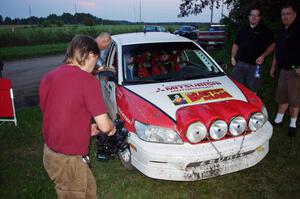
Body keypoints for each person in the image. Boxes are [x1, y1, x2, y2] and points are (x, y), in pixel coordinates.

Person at [39, 35, 116, 199]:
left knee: (89, 191)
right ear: (90, 56)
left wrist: (84, 128)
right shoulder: (87, 81)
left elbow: (55, 113)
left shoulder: (49, 77)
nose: (95, 65)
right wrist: (111, 126)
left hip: (51, 153)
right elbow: (104, 126)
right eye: (96, 59)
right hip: (68, 160)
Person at [269, 4, 300, 137]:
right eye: (283, 14)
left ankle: (293, 123)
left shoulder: (298, 30)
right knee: (282, 96)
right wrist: (273, 66)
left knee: (294, 99)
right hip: (283, 70)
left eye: (288, 13)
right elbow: (278, 50)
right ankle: (279, 119)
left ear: (294, 15)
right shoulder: (282, 31)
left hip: (296, 71)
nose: (285, 16)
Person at [231, 7, 275, 94]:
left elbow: (273, 45)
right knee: (235, 87)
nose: (254, 17)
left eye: (256, 15)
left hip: (256, 66)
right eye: (252, 15)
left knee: (254, 90)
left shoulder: (265, 30)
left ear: (260, 18)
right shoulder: (243, 29)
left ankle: (253, 106)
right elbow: (236, 44)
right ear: (249, 17)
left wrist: (263, 56)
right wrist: (233, 57)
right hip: (240, 64)